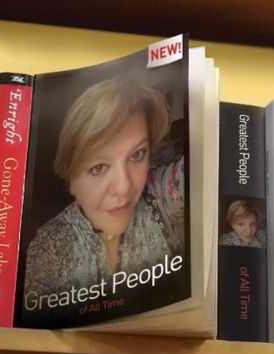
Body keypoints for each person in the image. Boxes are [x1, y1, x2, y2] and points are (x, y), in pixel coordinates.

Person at [24, 77, 176, 299]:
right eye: (98, 168)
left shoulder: (158, 196)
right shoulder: (48, 247)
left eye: (137, 155)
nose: (124, 187)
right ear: (71, 181)